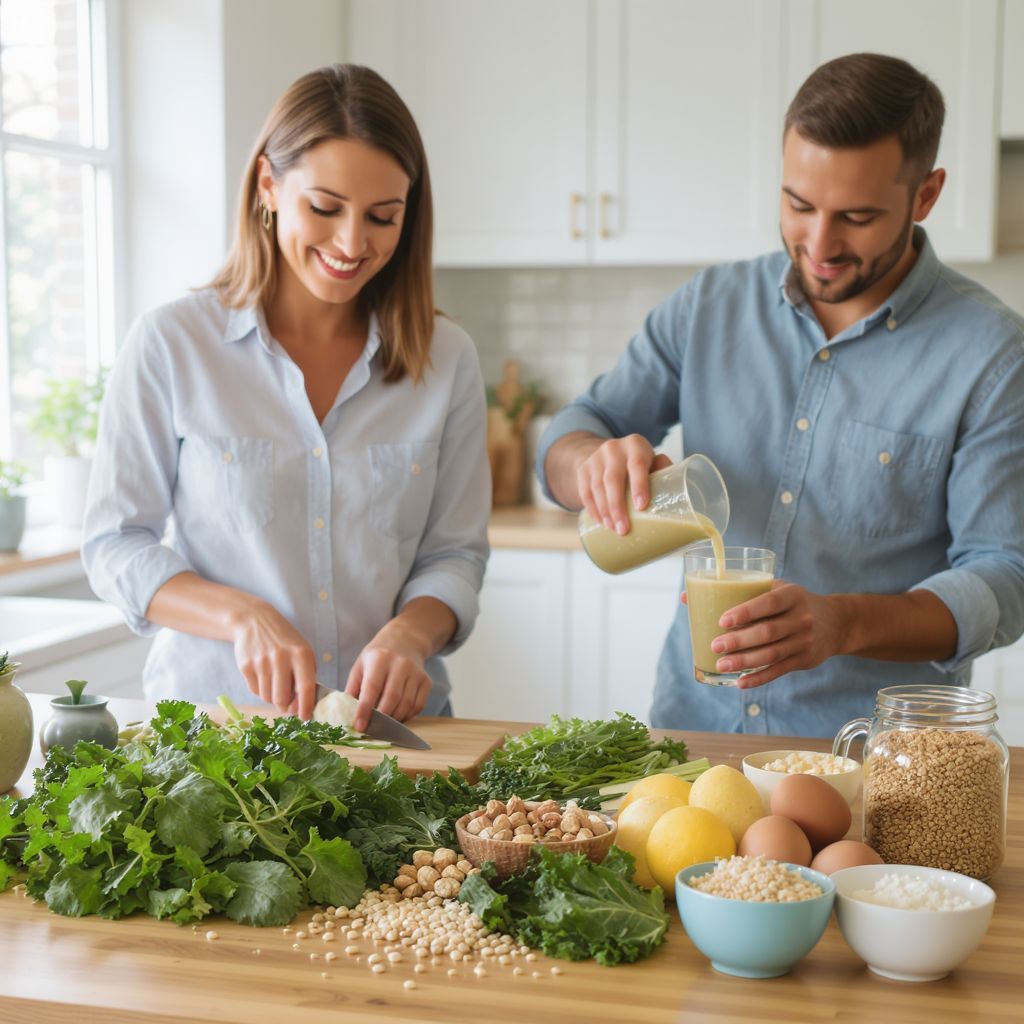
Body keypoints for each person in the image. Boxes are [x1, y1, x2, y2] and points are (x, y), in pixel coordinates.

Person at [538, 53, 1024, 738]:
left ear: (926, 195)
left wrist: (843, 622)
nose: (819, 243)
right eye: (798, 204)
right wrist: (588, 459)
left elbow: (1005, 575)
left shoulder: (991, 354)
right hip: (693, 734)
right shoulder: (710, 306)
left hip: (872, 758)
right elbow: (576, 427)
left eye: (856, 216)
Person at [83, 64, 490, 730]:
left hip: (389, 736)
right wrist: (241, 616)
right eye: (324, 208)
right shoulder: (171, 344)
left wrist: (413, 633)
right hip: (215, 737)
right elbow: (115, 544)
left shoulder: (446, 360)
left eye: (382, 217)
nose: (352, 244)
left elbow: (455, 554)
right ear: (269, 186)